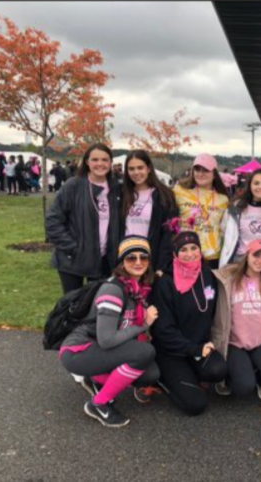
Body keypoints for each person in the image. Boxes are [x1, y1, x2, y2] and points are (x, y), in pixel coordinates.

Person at [59, 236, 160, 428]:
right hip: (79, 350)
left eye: (143, 258)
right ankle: (98, 404)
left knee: (150, 374)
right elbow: (106, 340)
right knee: (144, 353)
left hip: (99, 349)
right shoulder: (113, 290)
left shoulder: (138, 288)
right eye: (131, 258)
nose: (138, 262)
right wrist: (143, 324)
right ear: (121, 262)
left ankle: (96, 379)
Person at [151, 230, 227, 415]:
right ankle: (160, 379)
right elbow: (163, 331)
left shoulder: (208, 275)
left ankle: (187, 377)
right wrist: (194, 349)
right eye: (183, 249)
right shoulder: (165, 283)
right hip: (171, 351)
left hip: (199, 346)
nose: (190, 253)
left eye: (194, 247)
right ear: (175, 254)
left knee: (219, 370)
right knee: (195, 405)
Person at [211, 239, 261, 401]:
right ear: (246, 255)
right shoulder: (228, 279)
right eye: (256, 255)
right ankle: (232, 375)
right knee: (243, 387)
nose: (260, 261)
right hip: (234, 343)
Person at [46, 143, 121, 294]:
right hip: (73, 260)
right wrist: (72, 248)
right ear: (87, 161)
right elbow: (53, 220)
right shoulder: (73, 185)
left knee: (99, 306)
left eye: (105, 160)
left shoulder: (117, 188)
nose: (100, 164)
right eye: (95, 159)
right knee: (73, 306)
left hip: (105, 260)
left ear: (110, 162)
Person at [120, 150, 179, 277]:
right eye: (131, 169)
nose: (136, 172)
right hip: (125, 258)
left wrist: (161, 265)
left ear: (149, 169)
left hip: (150, 259)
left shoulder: (165, 196)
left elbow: (169, 233)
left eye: (140, 167)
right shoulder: (121, 193)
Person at [220, 168, 261, 268]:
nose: (260, 187)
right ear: (250, 186)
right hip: (239, 262)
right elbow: (224, 229)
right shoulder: (235, 207)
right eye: (256, 183)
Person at [174, 154, 229, 269]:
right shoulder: (179, 191)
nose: (200, 173)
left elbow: (225, 229)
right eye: (197, 169)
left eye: (206, 170)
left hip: (212, 257)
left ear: (214, 174)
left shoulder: (223, 199)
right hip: (186, 255)